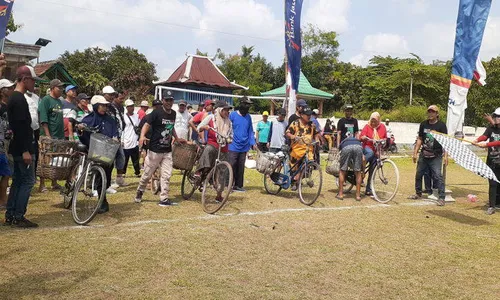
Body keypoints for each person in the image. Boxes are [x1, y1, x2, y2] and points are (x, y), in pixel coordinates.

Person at [134, 93, 185, 206]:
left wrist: (176, 138)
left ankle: (164, 198)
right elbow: (146, 125)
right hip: (155, 150)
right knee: (147, 174)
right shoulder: (156, 113)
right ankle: (140, 191)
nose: (169, 102)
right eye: (167, 100)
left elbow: (171, 127)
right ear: (163, 101)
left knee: (166, 175)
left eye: (171, 100)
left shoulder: (173, 113)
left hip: (167, 150)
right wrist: (142, 136)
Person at [4, 66, 39, 227]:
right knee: (27, 181)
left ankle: (11, 214)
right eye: (32, 80)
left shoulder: (15, 98)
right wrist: (26, 150)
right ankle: (18, 215)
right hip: (22, 147)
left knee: (18, 181)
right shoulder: (18, 99)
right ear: (25, 79)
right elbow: (20, 126)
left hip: (17, 147)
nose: (34, 84)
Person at [80, 96, 119, 214]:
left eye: (106, 105)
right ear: (96, 106)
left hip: (107, 153)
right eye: (102, 105)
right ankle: (102, 202)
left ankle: (102, 197)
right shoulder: (88, 119)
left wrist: (116, 138)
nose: (104, 108)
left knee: (106, 178)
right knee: (99, 178)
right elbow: (83, 134)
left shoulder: (110, 120)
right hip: (92, 151)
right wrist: (81, 129)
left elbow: (115, 133)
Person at [408, 105, 448, 206]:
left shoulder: (441, 126)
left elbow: (446, 142)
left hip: (436, 155)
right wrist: (415, 152)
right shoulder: (423, 124)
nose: (430, 113)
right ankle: (418, 193)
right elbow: (420, 138)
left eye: (433, 112)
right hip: (424, 154)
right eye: (429, 112)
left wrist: (446, 156)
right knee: (418, 174)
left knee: (438, 176)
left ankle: (441, 197)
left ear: (437, 114)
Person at [195, 100, 233, 185]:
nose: (227, 112)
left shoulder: (229, 122)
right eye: (225, 110)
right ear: (220, 110)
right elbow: (199, 128)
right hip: (213, 145)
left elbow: (231, 135)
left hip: (223, 148)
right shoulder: (211, 118)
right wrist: (205, 127)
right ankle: (199, 172)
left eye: (228, 110)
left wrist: (230, 139)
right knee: (208, 150)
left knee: (222, 171)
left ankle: (219, 194)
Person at [38, 79, 65, 193]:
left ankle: (54, 182)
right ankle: (42, 184)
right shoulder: (46, 100)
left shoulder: (59, 101)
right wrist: (47, 135)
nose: (61, 90)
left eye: (62, 88)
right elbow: (43, 119)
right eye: (59, 88)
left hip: (59, 135)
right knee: (44, 159)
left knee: (56, 159)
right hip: (48, 135)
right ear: (53, 88)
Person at [285, 106, 321, 191]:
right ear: (301, 115)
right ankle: (294, 182)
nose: (309, 116)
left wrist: (317, 140)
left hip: (308, 150)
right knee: (294, 168)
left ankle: (301, 177)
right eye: (307, 115)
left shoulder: (312, 125)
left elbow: (316, 134)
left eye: (310, 115)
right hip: (296, 150)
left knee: (309, 165)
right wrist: (293, 136)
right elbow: (287, 133)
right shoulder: (295, 123)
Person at [474, 107, 500, 215]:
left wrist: (487, 144)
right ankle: (492, 206)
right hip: (492, 161)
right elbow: (485, 136)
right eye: (495, 116)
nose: (496, 118)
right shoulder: (491, 128)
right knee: (493, 183)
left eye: (498, 116)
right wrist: (477, 140)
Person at [229, 96, 256, 192]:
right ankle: (228, 185)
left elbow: (250, 131)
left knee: (241, 167)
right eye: (246, 104)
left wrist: (253, 143)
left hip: (244, 146)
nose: (247, 107)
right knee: (231, 165)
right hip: (233, 145)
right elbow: (228, 127)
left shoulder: (248, 117)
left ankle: (238, 185)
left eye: (249, 105)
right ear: (241, 104)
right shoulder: (232, 115)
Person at [104, 86, 127, 190]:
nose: (112, 97)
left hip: (116, 136)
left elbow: (116, 122)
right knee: (107, 161)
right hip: (105, 137)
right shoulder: (103, 105)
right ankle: (103, 183)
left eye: (113, 95)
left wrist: (118, 136)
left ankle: (112, 181)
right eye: (110, 95)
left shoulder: (114, 107)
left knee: (119, 158)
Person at [360, 112, 387, 196]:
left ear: (379, 121)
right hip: (367, 148)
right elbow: (361, 136)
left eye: (375, 121)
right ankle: (361, 168)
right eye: (372, 121)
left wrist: (384, 141)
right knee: (370, 153)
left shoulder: (382, 127)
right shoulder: (367, 126)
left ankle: (368, 189)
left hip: (377, 150)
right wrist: (363, 137)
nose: (373, 123)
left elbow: (385, 137)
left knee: (372, 170)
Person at [0, 79, 15, 208]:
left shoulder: (10, 106)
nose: (11, 89)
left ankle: (3, 200)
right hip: (0, 145)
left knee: (6, 173)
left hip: (8, 143)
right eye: (9, 88)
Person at [337, 136, 364, 201]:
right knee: (358, 172)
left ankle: (340, 194)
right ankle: (358, 195)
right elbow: (363, 158)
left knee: (342, 171)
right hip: (358, 147)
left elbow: (340, 151)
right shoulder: (357, 141)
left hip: (346, 148)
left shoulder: (343, 142)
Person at [138, 99, 162, 170]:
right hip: (148, 141)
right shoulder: (147, 117)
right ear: (153, 107)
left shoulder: (163, 118)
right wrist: (143, 136)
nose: (157, 107)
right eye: (156, 106)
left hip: (159, 142)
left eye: (159, 106)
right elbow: (140, 128)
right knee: (148, 158)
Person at [123, 99, 141, 178]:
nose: (131, 108)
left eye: (132, 106)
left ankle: (137, 172)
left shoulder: (137, 116)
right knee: (125, 159)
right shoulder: (124, 117)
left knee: (136, 158)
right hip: (126, 140)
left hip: (135, 140)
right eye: (129, 106)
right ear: (126, 107)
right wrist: (122, 140)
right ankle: (123, 173)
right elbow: (123, 129)